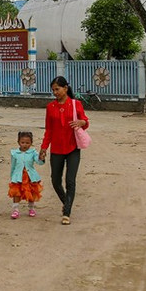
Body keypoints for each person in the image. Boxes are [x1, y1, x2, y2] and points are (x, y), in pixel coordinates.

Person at [39, 75, 89, 225]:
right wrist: (43, 148)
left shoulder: (76, 104)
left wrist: (82, 122)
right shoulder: (50, 107)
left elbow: (85, 122)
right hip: (56, 149)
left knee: (70, 180)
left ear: (65, 88)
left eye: (57, 89)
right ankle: (66, 202)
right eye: (53, 90)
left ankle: (67, 212)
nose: (55, 92)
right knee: (55, 180)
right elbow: (49, 130)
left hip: (73, 147)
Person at [8, 130, 43, 219]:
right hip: (17, 176)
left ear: (31, 143)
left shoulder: (33, 153)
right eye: (22, 142)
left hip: (30, 176)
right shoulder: (15, 153)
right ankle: (15, 210)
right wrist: (12, 176)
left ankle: (31, 208)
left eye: (27, 143)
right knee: (16, 193)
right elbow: (13, 166)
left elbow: (39, 162)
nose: (25, 145)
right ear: (18, 142)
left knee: (31, 192)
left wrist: (41, 158)